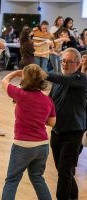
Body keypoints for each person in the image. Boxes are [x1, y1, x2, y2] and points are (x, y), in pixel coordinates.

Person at [1, 64, 56, 200]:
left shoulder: (20, 94)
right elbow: (52, 123)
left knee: (12, 181)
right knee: (38, 178)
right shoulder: (48, 100)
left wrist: (15, 73)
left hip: (22, 146)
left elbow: (4, 82)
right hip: (42, 146)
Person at [47, 47, 87, 200]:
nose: (64, 64)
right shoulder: (58, 81)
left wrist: (41, 74)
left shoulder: (81, 78)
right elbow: (49, 102)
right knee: (64, 170)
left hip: (74, 133)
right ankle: (74, 197)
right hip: (57, 132)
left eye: (69, 62)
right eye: (63, 61)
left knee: (64, 172)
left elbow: (64, 80)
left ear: (77, 64)